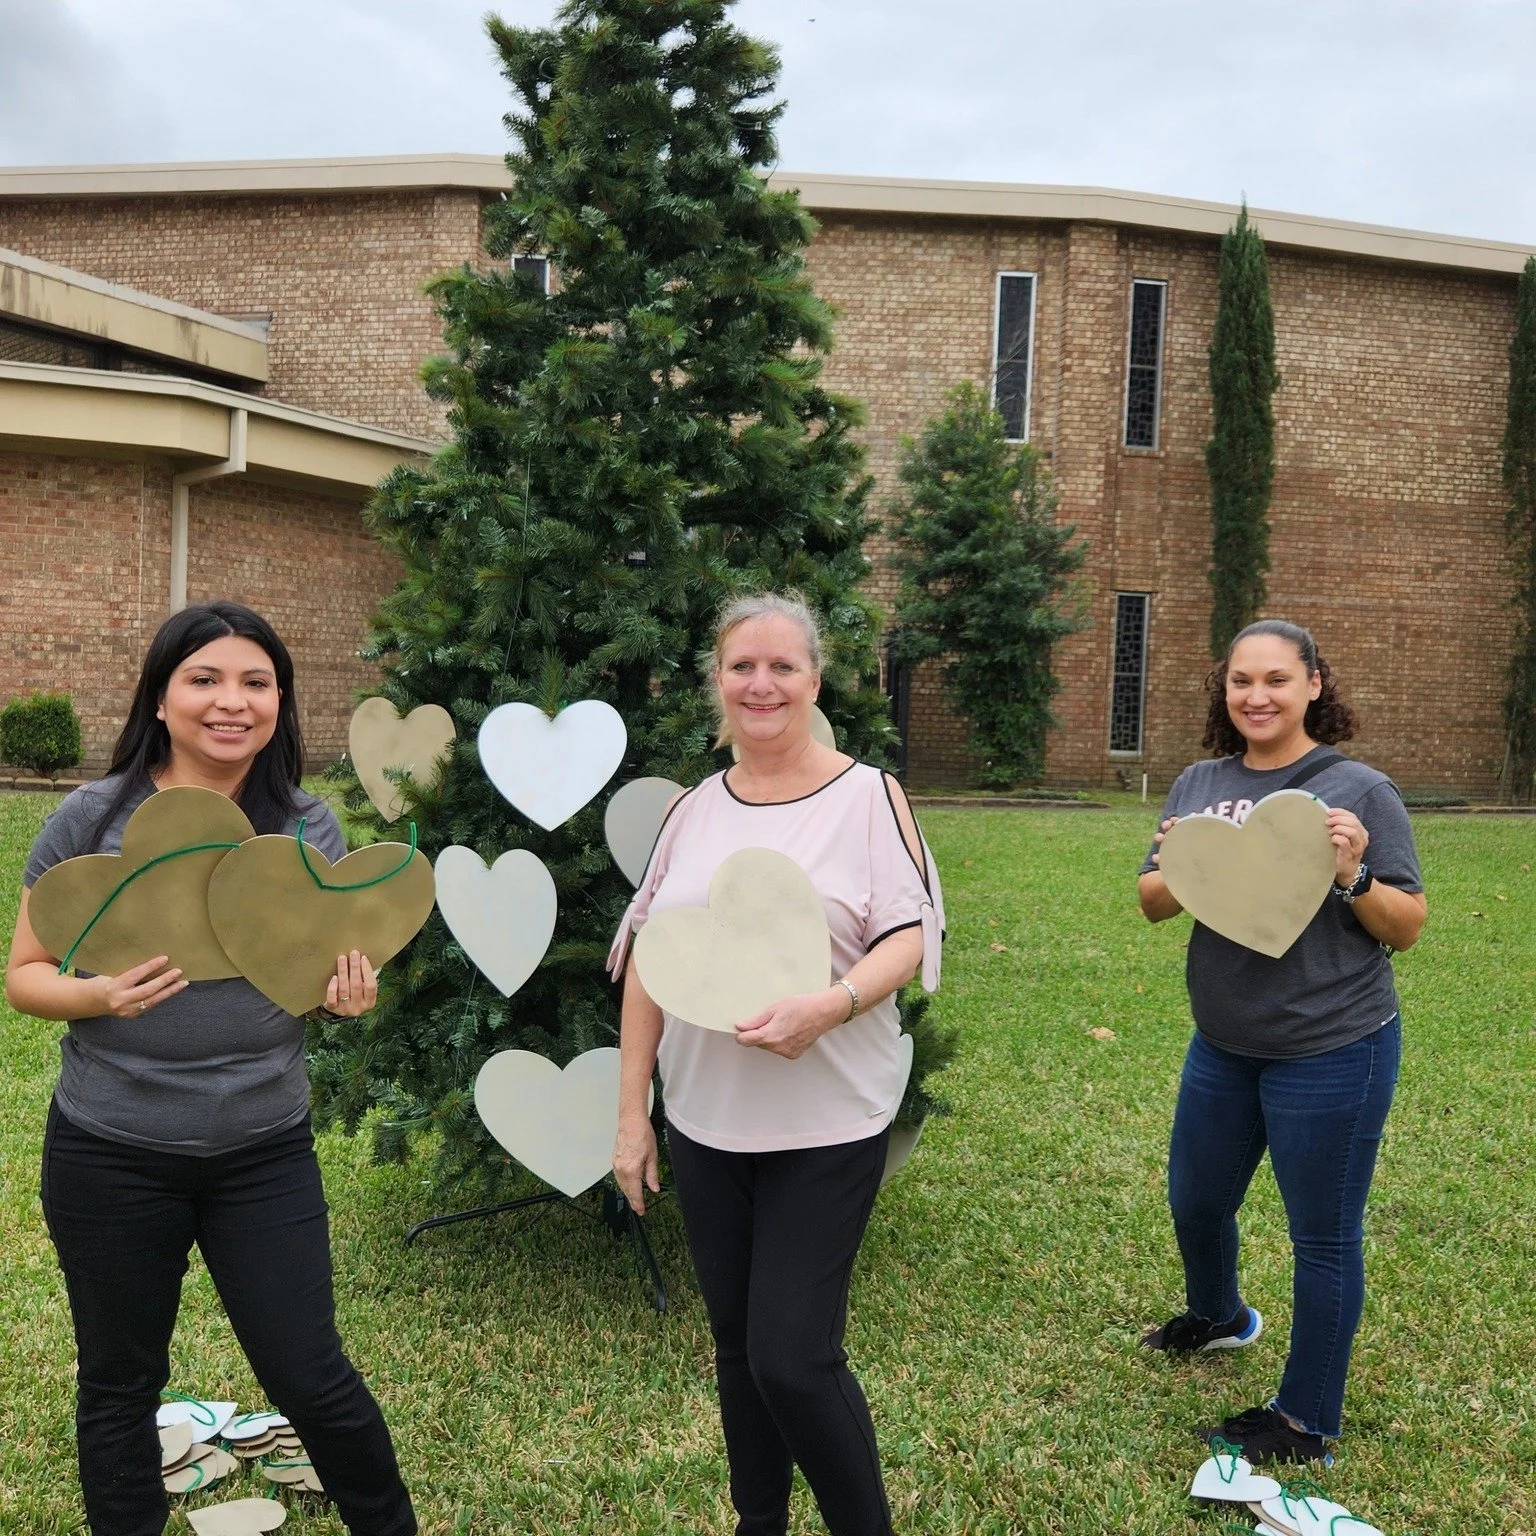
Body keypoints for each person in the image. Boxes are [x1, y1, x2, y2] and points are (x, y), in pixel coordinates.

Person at [6, 601, 417, 1536]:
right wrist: (99, 996)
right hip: (109, 1150)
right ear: (159, 697)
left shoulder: (307, 828)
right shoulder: (93, 818)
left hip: (262, 1150)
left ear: (280, 701)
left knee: (310, 1371)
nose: (231, 702)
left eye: (256, 682)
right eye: (204, 679)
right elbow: (24, 977)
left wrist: (341, 997)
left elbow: (307, 977)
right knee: (120, 1380)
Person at [609, 592, 943, 1536]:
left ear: (814, 678)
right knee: (734, 1349)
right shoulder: (690, 810)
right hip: (708, 1122)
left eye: (782, 666)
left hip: (827, 1122)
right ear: (718, 681)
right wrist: (634, 1115)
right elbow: (649, 964)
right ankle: (760, 1524)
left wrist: (828, 1005)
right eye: (741, 667)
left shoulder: (868, 795)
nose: (761, 684)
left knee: (793, 1357)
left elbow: (907, 937)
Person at [1136, 619, 1427, 1464]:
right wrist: (1186, 865)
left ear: (1312, 686)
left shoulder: (1360, 790)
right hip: (1224, 1042)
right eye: (1239, 681)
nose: (1254, 697)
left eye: (1274, 680)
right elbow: (1153, 904)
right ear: (1222, 691)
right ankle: (1222, 1316)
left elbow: (1403, 927)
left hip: (1334, 1045)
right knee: (1195, 1198)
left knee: (1323, 1236)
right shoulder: (1198, 781)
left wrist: (1352, 876)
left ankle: (1305, 1421)